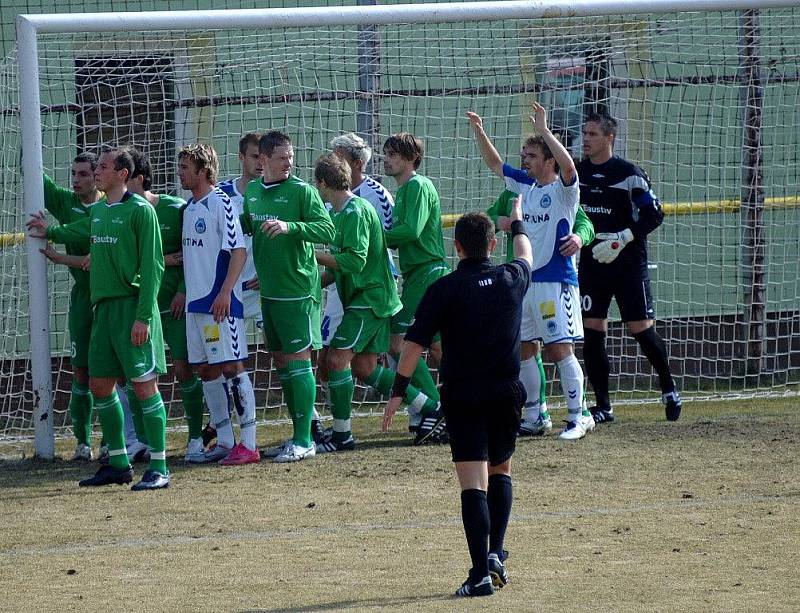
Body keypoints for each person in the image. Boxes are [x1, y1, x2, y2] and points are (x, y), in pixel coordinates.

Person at [382, 201, 532, 597]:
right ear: (493, 244)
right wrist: (516, 219)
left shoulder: (443, 288)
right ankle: (496, 553)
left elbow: (412, 346)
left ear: (457, 247)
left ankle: (480, 574)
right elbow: (526, 253)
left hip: (463, 394)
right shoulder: (512, 277)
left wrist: (398, 394)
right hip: (506, 391)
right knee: (501, 470)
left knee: (472, 484)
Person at [28, 147, 170, 490]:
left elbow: (154, 267)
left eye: (103, 167)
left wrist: (143, 318)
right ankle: (119, 463)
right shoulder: (101, 212)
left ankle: (160, 467)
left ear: (122, 174)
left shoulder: (140, 211)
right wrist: (49, 232)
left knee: (143, 386)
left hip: (131, 308)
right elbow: (78, 229)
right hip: (102, 309)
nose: (97, 172)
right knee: (100, 385)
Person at [467, 104, 595, 440]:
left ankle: (577, 416)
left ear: (549, 160)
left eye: (533, 155)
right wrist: (480, 131)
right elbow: (496, 165)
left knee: (559, 348)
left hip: (555, 282)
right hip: (526, 283)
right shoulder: (526, 187)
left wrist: (545, 128)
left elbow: (568, 164)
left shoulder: (564, 191)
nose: (526, 160)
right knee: (525, 347)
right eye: (525, 154)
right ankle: (536, 415)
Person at [313, 154, 440, 452]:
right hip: (366, 298)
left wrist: (311, 253)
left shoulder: (356, 211)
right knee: (365, 367)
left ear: (321, 183)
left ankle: (342, 434)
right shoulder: (340, 213)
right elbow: (337, 268)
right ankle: (433, 407)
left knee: (335, 360)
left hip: (369, 299)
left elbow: (354, 262)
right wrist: (310, 284)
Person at [578, 112, 682, 422]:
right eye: (584, 133)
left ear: (609, 138)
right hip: (592, 263)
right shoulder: (576, 172)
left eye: (593, 134)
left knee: (640, 329)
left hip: (627, 265)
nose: (586, 139)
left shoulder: (629, 174)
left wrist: (623, 237)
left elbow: (655, 214)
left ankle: (668, 386)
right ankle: (604, 406)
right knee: (592, 328)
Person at [241, 131, 335, 463]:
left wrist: (291, 227)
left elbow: (327, 230)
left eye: (291, 157)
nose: (289, 163)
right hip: (270, 292)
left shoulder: (302, 191)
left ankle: (305, 439)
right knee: (282, 366)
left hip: (298, 292)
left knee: (299, 364)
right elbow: (252, 231)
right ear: (262, 161)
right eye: (282, 158)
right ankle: (299, 434)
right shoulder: (252, 192)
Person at [179, 143, 260, 465]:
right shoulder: (189, 207)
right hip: (195, 307)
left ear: (203, 170)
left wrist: (226, 291)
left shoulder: (221, 203)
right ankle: (225, 440)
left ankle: (250, 444)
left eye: (186, 167)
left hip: (220, 305)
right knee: (206, 370)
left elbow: (238, 251)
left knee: (232, 366)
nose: (180, 172)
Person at [125, 147, 207, 462]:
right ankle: (142, 440)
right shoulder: (122, 212)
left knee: (185, 369)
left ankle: (197, 437)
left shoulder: (176, 209)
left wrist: (184, 289)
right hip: (141, 308)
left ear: (138, 179)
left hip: (174, 307)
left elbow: (193, 253)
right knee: (138, 374)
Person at [382, 132, 449, 440]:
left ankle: (436, 408)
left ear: (410, 158)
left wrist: (371, 237)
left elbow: (410, 231)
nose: (387, 159)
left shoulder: (417, 186)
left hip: (426, 274)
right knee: (436, 346)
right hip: (420, 274)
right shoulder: (407, 189)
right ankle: (460, 404)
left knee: (399, 342)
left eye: (393, 154)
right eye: (386, 154)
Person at [201, 133, 264, 448]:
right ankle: (219, 426)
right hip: (230, 290)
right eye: (255, 157)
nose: (260, 163)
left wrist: (268, 273)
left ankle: (310, 424)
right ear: (242, 157)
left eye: (263, 157)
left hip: (265, 289)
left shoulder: (275, 192)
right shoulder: (221, 194)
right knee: (220, 361)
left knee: (284, 356)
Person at [40, 153, 103, 460]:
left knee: (110, 372)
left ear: (97, 177)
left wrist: (61, 256)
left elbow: (98, 262)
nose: (75, 180)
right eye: (73, 174)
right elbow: (40, 180)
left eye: (82, 174)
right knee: (80, 372)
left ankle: (115, 439)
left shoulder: (110, 207)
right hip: (82, 298)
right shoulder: (66, 202)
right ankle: (82, 441)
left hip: (109, 298)